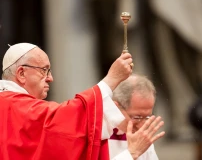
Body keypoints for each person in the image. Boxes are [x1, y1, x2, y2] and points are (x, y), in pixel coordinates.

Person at [0, 43, 165, 160]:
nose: (50, 78)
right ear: (21, 73)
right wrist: (111, 79)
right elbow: (67, 119)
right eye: (44, 70)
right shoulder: (16, 107)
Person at [106, 74, 159, 160]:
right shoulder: (93, 133)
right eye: (137, 117)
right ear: (116, 107)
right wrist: (131, 154)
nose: (142, 126)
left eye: (147, 117)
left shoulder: (141, 137)